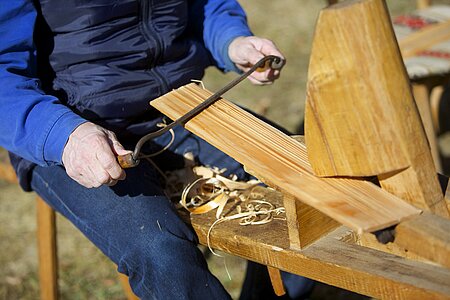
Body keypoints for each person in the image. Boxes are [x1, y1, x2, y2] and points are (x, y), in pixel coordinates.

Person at [0, 0, 313, 299]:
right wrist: (63, 135)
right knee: (161, 250)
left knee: (309, 189)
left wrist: (231, 40)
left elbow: (202, 5)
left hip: (179, 108)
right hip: (70, 129)